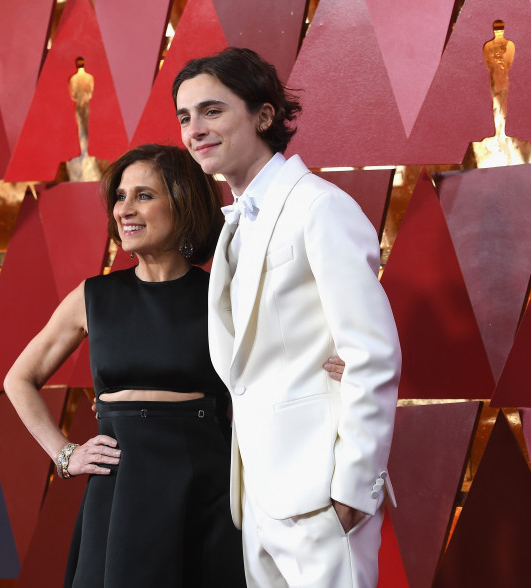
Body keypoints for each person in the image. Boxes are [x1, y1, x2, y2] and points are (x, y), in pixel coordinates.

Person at [3, 143, 344, 587]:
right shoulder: (93, 297)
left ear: (182, 204)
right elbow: (19, 379)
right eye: (120, 197)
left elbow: (287, 361)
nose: (125, 209)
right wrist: (64, 454)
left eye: (144, 195)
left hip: (205, 480)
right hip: (121, 485)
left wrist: (345, 366)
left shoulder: (227, 294)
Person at [173, 47, 402, 587]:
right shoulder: (232, 225)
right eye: (184, 117)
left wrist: (352, 487)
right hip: (258, 497)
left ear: (264, 115)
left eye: (211, 110)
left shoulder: (319, 207)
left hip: (322, 493)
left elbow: (372, 353)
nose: (194, 129)